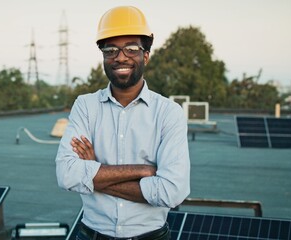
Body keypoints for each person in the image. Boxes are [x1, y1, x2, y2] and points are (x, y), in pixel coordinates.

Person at [55, 6, 190, 240]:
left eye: (131, 48)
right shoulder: (86, 106)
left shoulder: (169, 113)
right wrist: (142, 170)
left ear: (145, 55)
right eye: (111, 50)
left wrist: (94, 170)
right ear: (103, 57)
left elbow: (172, 192)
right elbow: (67, 174)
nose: (120, 57)